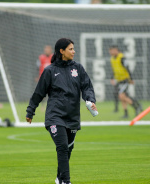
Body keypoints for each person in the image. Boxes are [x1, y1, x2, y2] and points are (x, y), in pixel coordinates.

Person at [26, 38, 97, 184]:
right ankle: (66, 181)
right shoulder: (50, 71)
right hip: (55, 116)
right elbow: (39, 93)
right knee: (63, 147)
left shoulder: (78, 68)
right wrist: (30, 111)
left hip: (72, 116)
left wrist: (90, 100)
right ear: (62, 51)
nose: (74, 51)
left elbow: (87, 86)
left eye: (73, 48)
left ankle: (59, 178)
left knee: (68, 149)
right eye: (70, 49)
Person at [109, 45, 142, 118]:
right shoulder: (112, 59)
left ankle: (137, 107)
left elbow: (127, 68)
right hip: (119, 80)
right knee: (122, 97)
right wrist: (112, 78)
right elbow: (114, 70)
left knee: (121, 96)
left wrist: (131, 79)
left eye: (111, 50)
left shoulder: (122, 58)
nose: (110, 52)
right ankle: (126, 113)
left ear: (116, 50)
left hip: (125, 80)